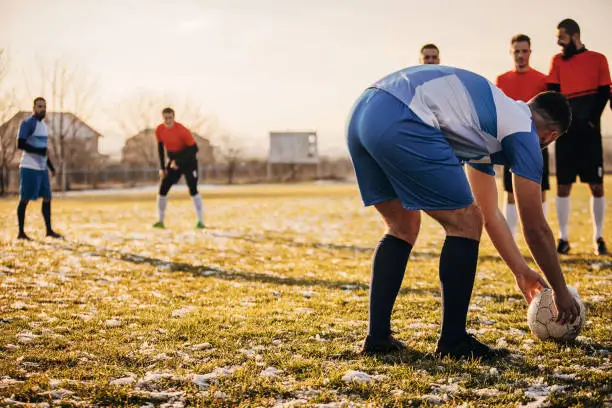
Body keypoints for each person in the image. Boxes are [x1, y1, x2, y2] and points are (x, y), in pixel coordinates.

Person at [347, 65, 580, 359]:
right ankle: (454, 343)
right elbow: (534, 227)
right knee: (464, 221)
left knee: (403, 225)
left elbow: (489, 214)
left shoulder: (488, 126)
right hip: (401, 114)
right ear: (551, 136)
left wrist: (521, 272)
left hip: (363, 112)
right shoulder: (525, 132)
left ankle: (378, 338)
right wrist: (560, 290)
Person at [547, 18, 611, 255]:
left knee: (596, 186)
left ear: (574, 36)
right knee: (563, 187)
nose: (558, 42)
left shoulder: (598, 59)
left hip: (590, 136)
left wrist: (593, 120)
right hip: (565, 136)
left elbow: (605, 92)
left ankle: (599, 238)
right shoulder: (557, 61)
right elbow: (552, 93)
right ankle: (563, 239)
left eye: (561, 37)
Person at [496, 34, 549, 238]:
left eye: (524, 51)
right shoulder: (502, 80)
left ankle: (540, 236)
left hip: (537, 145)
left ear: (530, 52)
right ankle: (511, 237)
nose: (520, 55)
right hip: (510, 145)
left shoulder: (543, 80)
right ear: (511, 53)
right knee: (510, 192)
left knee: (540, 191)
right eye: (516, 51)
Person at [16, 97, 62, 240]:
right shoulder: (28, 123)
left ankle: (49, 230)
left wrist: (51, 167)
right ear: (34, 108)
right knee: (24, 199)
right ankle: (21, 233)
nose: (42, 109)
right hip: (29, 167)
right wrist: (39, 151)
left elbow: (44, 151)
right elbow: (20, 144)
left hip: (42, 169)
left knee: (47, 198)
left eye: (44, 106)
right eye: (39, 106)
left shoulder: (44, 126)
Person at [154, 107, 205, 229]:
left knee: (193, 189)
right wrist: (162, 168)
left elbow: (194, 149)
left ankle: (200, 221)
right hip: (173, 161)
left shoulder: (182, 130)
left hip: (189, 160)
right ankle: (160, 221)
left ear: (174, 117)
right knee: (163, 189)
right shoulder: (159, 130)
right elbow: (160, 149)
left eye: (170, 118)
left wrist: (179, 162)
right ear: (163, 118)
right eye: (165, 118)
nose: (168, 120)